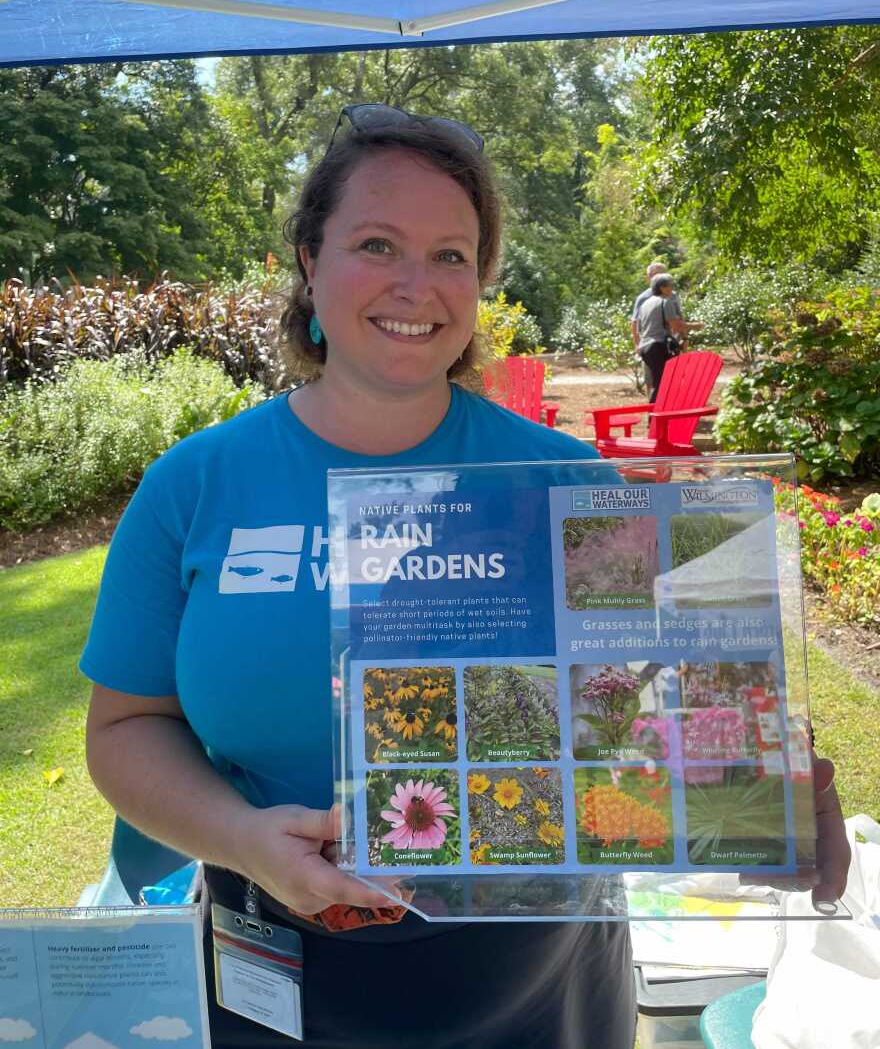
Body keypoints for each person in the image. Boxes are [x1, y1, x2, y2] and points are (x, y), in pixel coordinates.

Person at [81, 106, 849, 1049]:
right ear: (310, 264)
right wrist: (242, 840)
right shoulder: (196, 486)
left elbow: (668, 699)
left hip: (533, 991)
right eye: (376, 242)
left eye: (452, 254)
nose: (418, 283)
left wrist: (757, 785)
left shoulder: (568, 486)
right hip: (275, 981)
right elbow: (125, 728)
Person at [636, 273, 702, 402]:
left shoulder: (645, 304)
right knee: (662, 384)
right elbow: (676, 325)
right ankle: (655, 419)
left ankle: (659, 416)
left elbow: (639, 328)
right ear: (662, 288)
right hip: (657, 346)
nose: (672, 288)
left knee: (659, 381)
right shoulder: (665, 302)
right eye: (670, 285)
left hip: (645, 347)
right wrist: (696, 326)